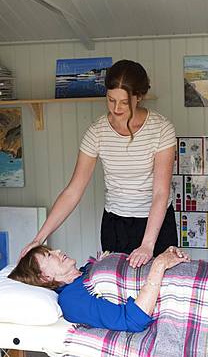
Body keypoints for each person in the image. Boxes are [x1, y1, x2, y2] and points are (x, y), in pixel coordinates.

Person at [20, 59, 177, 268]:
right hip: (116, 224)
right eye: (111, 100)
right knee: (115, 292)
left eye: (124, 102)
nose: (116, 108)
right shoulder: (97, 132)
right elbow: (73, 191)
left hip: (157, 223)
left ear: (139, 97)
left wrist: (148, 245)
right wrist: (39, 238)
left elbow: (160, 192)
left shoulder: (161, 129)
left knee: (159, 290)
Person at [9, 245, 190, 332]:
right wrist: (159, 264)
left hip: (184, 274)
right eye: (49, 255)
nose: (57, 251)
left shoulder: (86, 271)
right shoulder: (73, 300)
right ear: (45, 277)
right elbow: (132, 320)